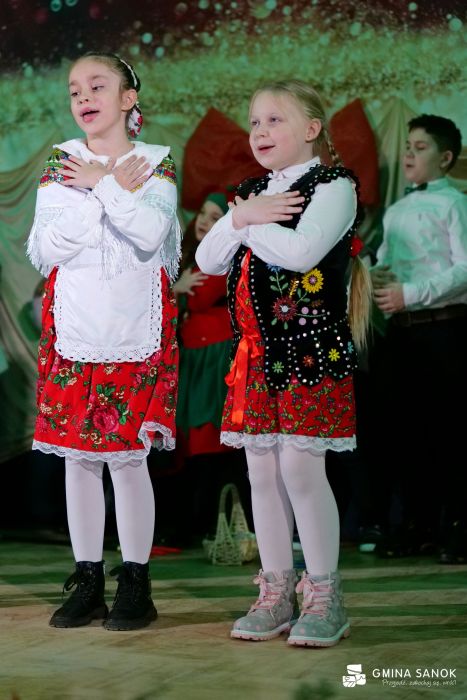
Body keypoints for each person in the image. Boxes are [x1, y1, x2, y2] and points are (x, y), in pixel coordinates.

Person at [196, 79, 371, 647]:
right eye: (255, 122)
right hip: (254, 357)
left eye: (275, 120)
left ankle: (323, 594)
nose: (260, 131)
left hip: (309, 351)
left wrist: (248, 221)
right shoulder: (251, 193)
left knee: (300, 470)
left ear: (312, 129)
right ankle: (275, 592)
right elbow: (208, 260)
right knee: (262, 473)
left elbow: (301, 254)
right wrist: (240, 217)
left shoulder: (334, 186)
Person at [26, 52, 181, 630]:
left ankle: (136, 581)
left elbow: (151, 232)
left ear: (127, 98)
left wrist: (100, 185)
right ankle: (88, 579)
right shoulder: (62, 161)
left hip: (135, 327)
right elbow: (48, 245)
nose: (84, 98)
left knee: (127, 458)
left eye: (97, 86)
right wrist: (106, 190)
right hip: (74, 328)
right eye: (74, 90)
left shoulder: (155, 161)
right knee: (79, 459)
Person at [370, 114, 467, 563]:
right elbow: (387, 263)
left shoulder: (455, 204)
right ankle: (416, 524)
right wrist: (377, 276)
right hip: (403, 333)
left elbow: (465, 269)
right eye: (407, 146)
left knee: (451, 431)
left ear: (445, 158)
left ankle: (458, 526)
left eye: (421, 147)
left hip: (445, 329)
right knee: (406, 431)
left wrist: (410, 293)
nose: (409, 154)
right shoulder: (396, 210)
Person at [173, 192, 251, 537]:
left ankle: (211, 523)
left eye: (215, 216)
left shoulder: (222, 259)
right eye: (203, 213)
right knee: (195, 443)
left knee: (211, 441)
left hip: (213, 358)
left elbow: (202, 295)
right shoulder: (189, 257)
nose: (205, 220)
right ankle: (197, 522)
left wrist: (176, 289)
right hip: (193, 357)